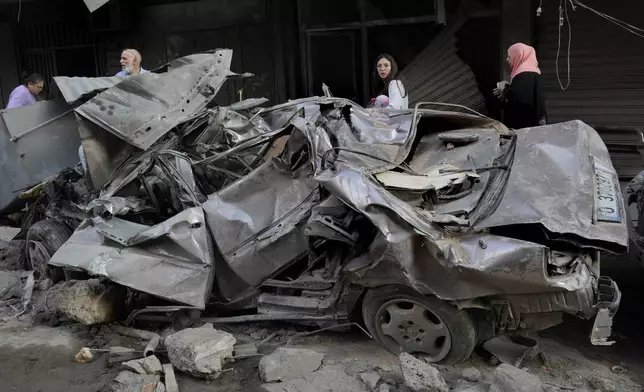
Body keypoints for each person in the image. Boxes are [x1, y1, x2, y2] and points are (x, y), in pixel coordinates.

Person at [494, 43, 547, 129]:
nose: (507, 60)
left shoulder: (524, 75)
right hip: (533, 126)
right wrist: (505, 92)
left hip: (525, 128)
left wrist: (505, 88)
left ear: (518, 56)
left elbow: (519, 101)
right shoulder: (532, 73)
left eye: (509, 57)